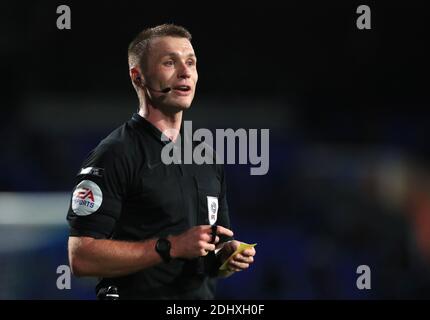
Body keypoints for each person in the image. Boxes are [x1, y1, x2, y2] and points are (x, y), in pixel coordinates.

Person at [66, 24, 256, 299]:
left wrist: (225, 256)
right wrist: (170, 247)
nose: (185, 71)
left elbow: (210, 255)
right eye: (170, 62)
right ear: (138, 77)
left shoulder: (208, 159)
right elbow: (81, 258)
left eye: (191, 62)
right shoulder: (114, 154)